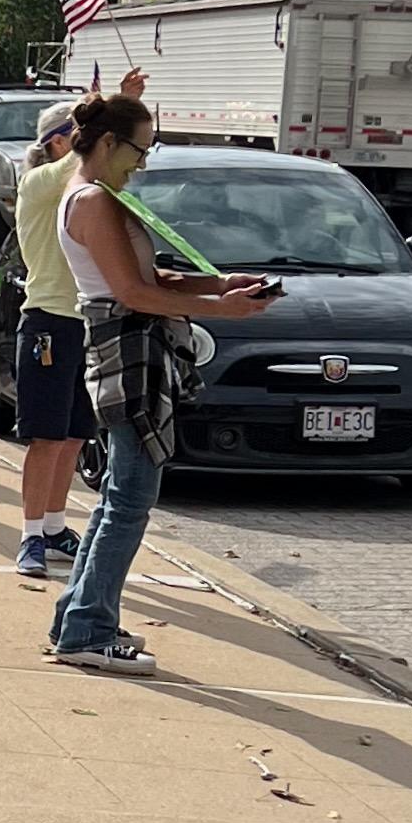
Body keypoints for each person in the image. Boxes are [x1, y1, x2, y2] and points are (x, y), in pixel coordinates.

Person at [51, 89, 268, 674]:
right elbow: (131, 292)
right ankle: (86, 630)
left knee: (120, 496)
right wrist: (225, 309)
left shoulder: (98, 195)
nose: (142, 163)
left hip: (132, 341)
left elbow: (149, 275)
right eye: (139, 151)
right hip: (128, 343)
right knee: (130, 499)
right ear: (107, 143)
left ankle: (81, 615)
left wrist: (218, 286)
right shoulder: (94, 200)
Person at [9, 70, 149, 579]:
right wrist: (116, 108)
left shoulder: (85, 188)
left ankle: (52, 524)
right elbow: (82, 159)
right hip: (48, 318)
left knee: (72, 435)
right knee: (45, 437)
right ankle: (29, 536)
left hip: (87, 319)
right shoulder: (39, 182)